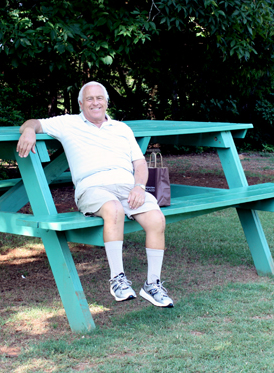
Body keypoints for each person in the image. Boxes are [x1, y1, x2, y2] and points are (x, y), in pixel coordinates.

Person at [16, 81, 173, 308]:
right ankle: (118, 280)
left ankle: (152, 284)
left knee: (157, 219)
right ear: (81, 103)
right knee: (114, 209)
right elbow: (33, 123)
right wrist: (29, 130)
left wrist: (139, 186)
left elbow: (139, 163)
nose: (95, 103)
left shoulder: (122, 129)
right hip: (92, 189)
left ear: (107, 102)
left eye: (99, 98)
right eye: (89, 99)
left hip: (127, 187)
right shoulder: (68, 123)